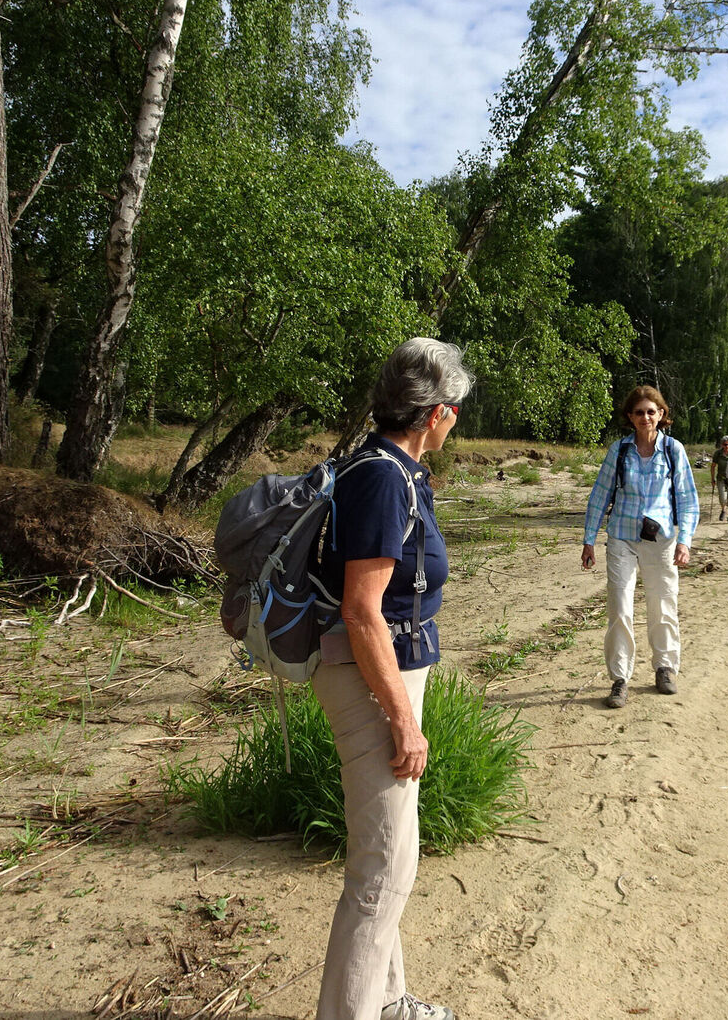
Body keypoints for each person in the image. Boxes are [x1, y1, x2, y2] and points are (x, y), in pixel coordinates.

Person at [312, 337, 472, 1020]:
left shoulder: (391, 468)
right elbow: (360, 610)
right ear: (435, 412)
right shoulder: (381, 476)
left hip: (388, 674)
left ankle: (392, 1001)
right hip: (373, 681)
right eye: (455, 407)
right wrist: (403, 720)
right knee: (382, 871)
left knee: (392, 852)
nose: (457, 418)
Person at [580, 386, 700, 708]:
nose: (645, 417)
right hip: (621, 537)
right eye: (639, 412)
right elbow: (600, 495)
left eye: (651, 411)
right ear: (630, 417)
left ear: (661, 415)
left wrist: (685, 541)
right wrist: (589, 539)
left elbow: (688, 500)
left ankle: (665, 668)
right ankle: (620, 678)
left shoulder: (673, 451)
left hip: (661, 541)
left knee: (662, 606)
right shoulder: (619, 451)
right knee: (620, 607)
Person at [710, 435, 728, 522]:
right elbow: (713, 466)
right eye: (725, 444)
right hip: (720, 478)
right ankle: (723, 510)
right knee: (722, 497)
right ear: (722, 444)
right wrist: (712, 479)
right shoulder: (718, 453)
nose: (727, 446)